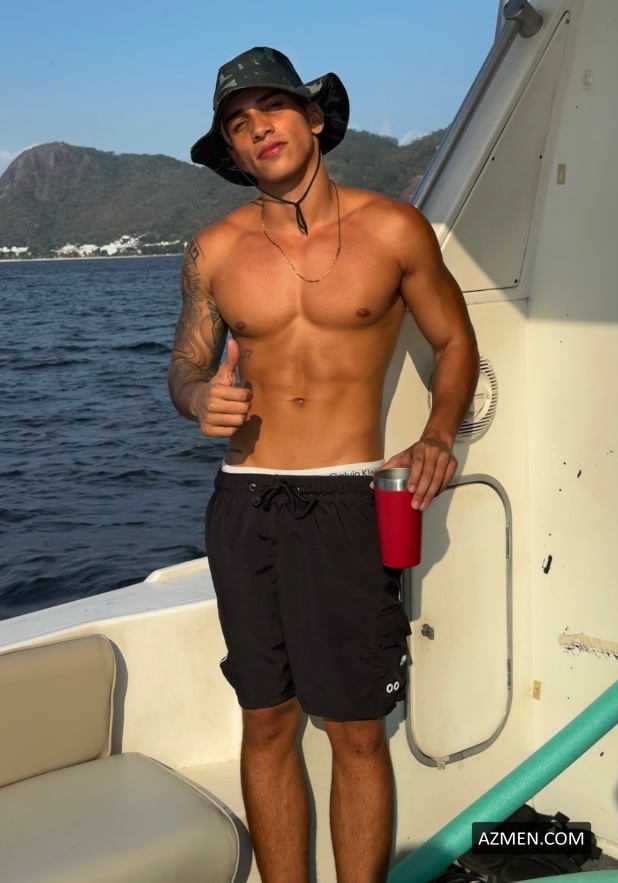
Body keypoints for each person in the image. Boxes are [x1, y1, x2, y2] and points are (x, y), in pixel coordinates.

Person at [168, 46, 479, 883]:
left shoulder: (395, 229)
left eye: (271, 107)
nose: (256, 127)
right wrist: (198, 398)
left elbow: (455, 341)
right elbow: (185, 365)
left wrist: (438, 434)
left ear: (313, 118)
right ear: (232, 152)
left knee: (354, 729)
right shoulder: (212, 250)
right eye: (237, 123)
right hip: (245, 503)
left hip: (347, 501)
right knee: (266, 720)